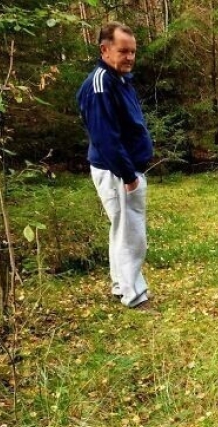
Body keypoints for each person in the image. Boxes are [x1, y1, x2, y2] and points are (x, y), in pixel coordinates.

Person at [77, 22, 153, 309]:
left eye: (133, 52)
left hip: (125, 169)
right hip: (116, 171)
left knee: (121, 229)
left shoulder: (121, 80)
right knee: (132, 234)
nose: (130, 57)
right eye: (123, 51)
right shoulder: (99, 85)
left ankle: (122, 286)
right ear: (104, 49)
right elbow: (105, 137)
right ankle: (134, 295)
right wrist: (127, 174)